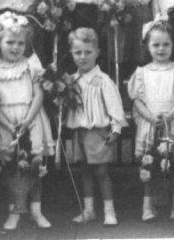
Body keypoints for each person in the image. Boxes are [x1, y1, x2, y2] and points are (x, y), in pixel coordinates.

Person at [0, 12, 54, 231]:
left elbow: (39, 95)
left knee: (34, 165)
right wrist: (7, 125)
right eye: (10, 42)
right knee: (10, 166)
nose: (15, 47)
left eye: (20, 43)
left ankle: (36, 210)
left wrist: (27, 120)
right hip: (6, 123)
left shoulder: (31, 66)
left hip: (30, 119)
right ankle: (15, 209)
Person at [127, 20, 174, 221]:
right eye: (156, 45)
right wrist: (150, 117)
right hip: (151, 123)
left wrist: (170, 115)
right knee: (149, 163)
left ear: (173, 45)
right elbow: (137, 100)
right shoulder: (142, 72)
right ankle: (147, 205)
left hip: (172, 123)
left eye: (166, 44)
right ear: (147, 46)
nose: (161, 49)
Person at [64, 28, 127, 227]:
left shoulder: (103, 81)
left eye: (88, 52)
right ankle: (89, 210)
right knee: (84, 171)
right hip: (79, 132)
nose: (83, 57)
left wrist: (116, 129)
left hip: (98, 133)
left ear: (97, 52)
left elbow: (115, 107)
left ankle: (110, 211)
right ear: (72, 53)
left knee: (101, 171)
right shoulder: (70, 81)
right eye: (78, 52)